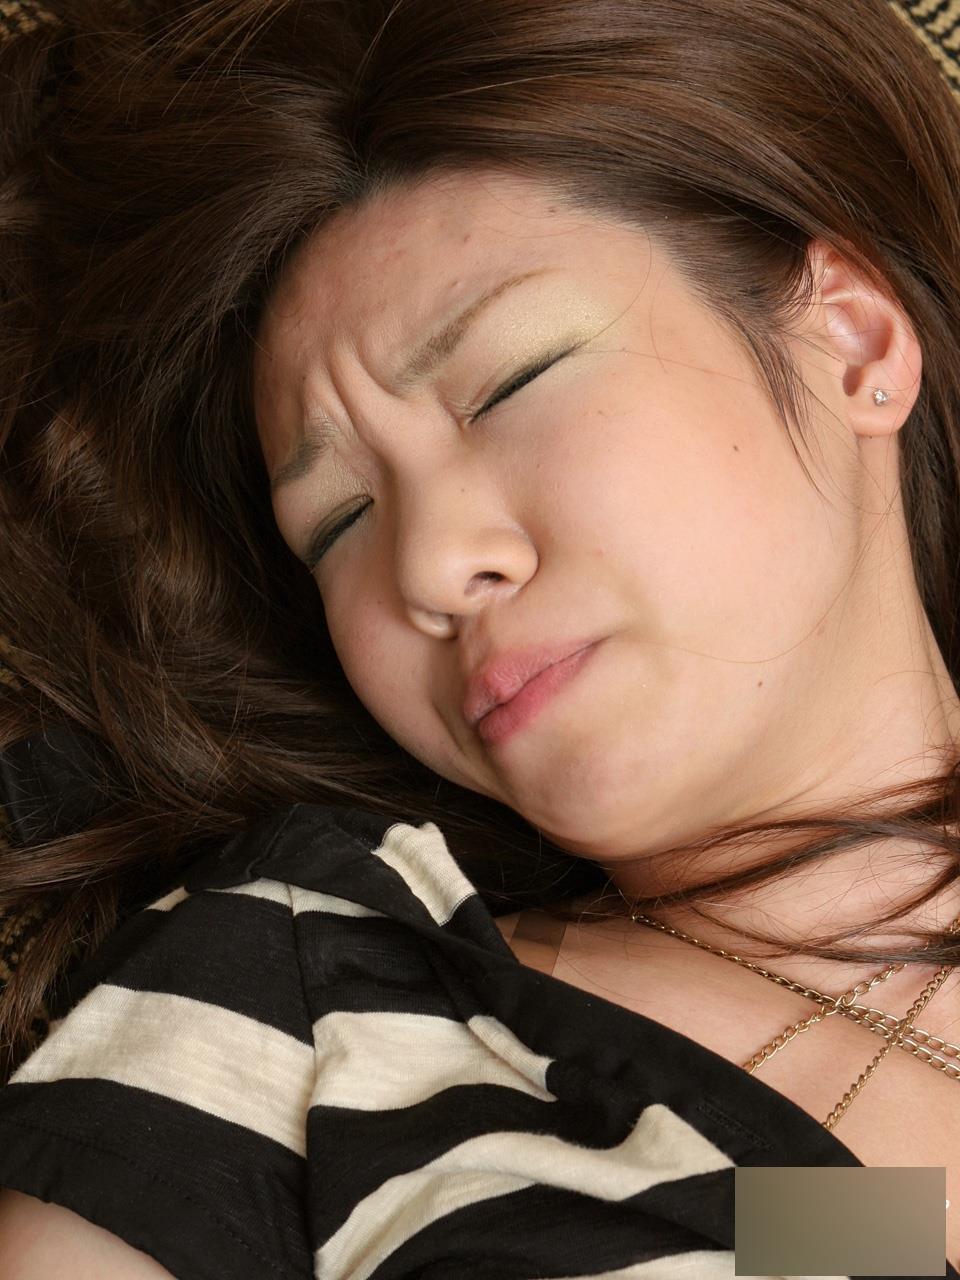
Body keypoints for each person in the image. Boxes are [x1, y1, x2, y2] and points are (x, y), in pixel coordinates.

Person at [1, 0, 960, 1275]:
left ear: (851, 340)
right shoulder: (310, 1013)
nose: (432, 563)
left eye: (510, 382)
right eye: (339, 520)